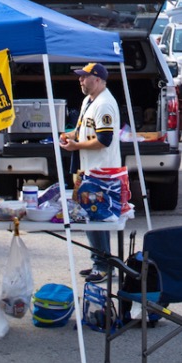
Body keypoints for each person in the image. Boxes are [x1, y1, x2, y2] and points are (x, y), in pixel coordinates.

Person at [60, 62, 127, 279]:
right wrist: (69, 135)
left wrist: (76, 146)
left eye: (84, 77)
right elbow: (82, 129)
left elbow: (104, 139)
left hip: (101, 173)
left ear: (97, 79)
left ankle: (103, 266)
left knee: (97, 219)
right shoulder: (88, 101)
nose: (80, 80)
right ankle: (100, 261)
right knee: (90, 219)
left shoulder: (104, 104)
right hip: (88, 170)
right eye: (80, 77)